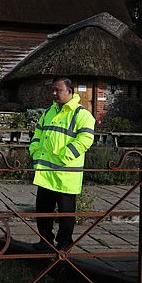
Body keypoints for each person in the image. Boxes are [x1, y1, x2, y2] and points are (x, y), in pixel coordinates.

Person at [29, 77, 95, 252]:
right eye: (53, 90)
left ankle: (64, 244)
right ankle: (45, 241)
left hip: (66, 174)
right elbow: (37, 134)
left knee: (66, 215)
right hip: (45, 172)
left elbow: (86, 139)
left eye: (58, 90)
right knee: (43, 212)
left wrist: (64, 157)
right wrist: (35, 152)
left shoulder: (82, 114)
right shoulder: (47, 112)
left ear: (70, 91)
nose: (54, 93)